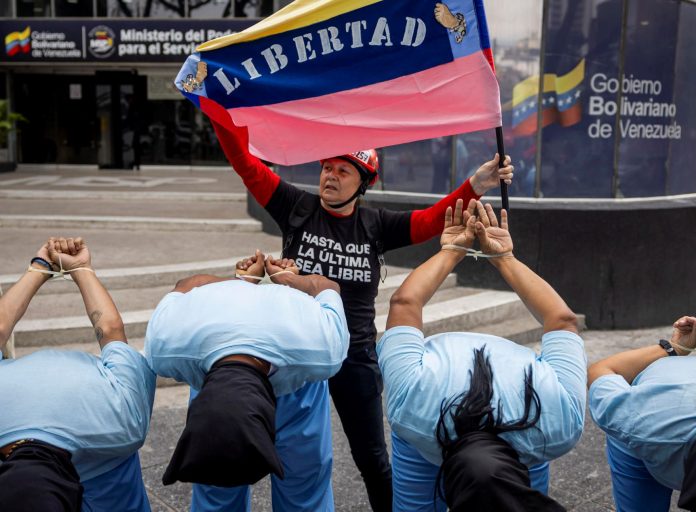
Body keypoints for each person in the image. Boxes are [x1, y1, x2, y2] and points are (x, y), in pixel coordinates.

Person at [204, 102, 513, 511]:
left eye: (343, 170)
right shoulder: (294, 206)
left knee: (373, 461)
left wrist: (476, 183)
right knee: (272, 450)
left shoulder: (375, 225)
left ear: (363, 182)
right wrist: (217, 107)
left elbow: (430, 220)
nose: (330, 175)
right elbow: (245, 163)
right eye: (326, 167)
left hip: (355, 358)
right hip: (297, 353)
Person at [379, 199, 586, 511]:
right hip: (516, 430)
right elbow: (405, 304)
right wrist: (503, 258)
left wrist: (457, 252)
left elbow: (562, 321)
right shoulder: (556, 424)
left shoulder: (414, 408)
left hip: (439, 423)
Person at [143, 250, 349, 507]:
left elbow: (186, 285)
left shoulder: (320, 347)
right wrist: (274, 283)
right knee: (302, 492)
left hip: (295, 375)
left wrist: (252, 282)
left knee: (224, 496)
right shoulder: (165, 344)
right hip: (219, 383)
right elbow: (326, 286)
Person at [0, 237, 156, 512]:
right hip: (102, 455)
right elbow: (110, 331)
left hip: (102, 448)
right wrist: (52, 267)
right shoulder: (121, 422)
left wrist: (52, 268)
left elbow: (110, 332)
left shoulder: (124, 424)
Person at [588, 317, 696, 512]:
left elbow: (603, 370)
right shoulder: (642, 423)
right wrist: (673, 348)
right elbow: (604, 370)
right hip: (658, 414)